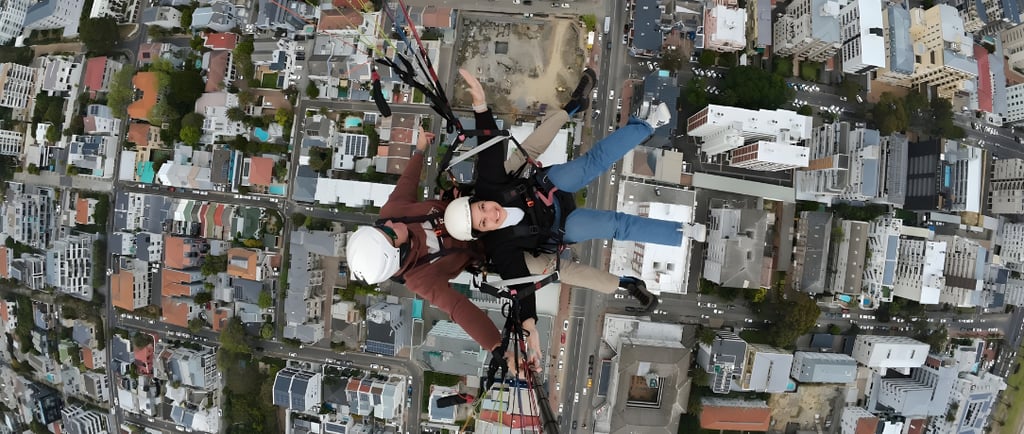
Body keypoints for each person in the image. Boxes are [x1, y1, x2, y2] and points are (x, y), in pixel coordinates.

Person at [443, 72, 708, 318]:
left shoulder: (490, 185)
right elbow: (526, 287)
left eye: (482, 208)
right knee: (614, 225)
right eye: (484, 222)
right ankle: (682, 231)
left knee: (590, 163)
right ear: (483, 232)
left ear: (477, 198)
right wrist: (529, 323)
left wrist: (480, 105)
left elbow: (489, 148)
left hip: (547, 188)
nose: (492, 213)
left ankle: (646, 124)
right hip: (559, 227)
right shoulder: (501, 250)